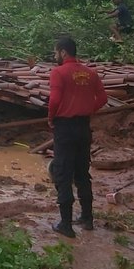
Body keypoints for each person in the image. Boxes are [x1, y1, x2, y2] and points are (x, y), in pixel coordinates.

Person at [48, 36, 108, 238]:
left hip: (64, 127)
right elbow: (103, 98)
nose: (55, 56)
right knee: (82, 172)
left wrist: (51, 118)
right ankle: (87, 218)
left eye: (56, 52)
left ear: (63, 52)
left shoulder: (58, 72)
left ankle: (66, 224)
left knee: (63, 173)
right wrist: (87, 110)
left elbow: (55, 99)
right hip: (83, 127)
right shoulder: (91, 73)